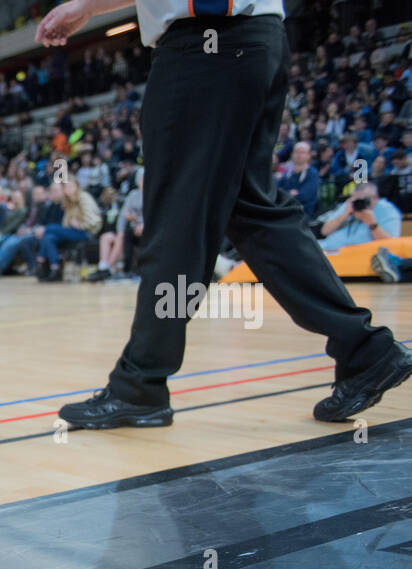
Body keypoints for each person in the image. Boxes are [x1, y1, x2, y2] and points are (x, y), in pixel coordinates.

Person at [37, 0, 410, 428]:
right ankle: (366, 351)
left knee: (177, 220)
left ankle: (140, 383)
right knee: (252, 210)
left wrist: (83, 6)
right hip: (254, 39)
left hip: (206, 43)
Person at [317, 182, 400, 251]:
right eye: (357, 199)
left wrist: (372, 223)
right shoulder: (349, 205)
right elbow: (325, 231)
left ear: (375, 197)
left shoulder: (387, 209)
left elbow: (390, 244)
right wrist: (345, 214)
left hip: (361, 255)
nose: (360, 203)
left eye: (364, 199)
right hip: (330, 249)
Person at [278, 141, 321, 217]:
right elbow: (277, 192)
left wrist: (284, 194)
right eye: (296, 152)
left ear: (309, 155)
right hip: (283, 211)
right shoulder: (287, 174)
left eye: (302, 152)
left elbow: (304, 197)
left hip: (302, 214)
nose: (299, 155)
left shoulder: (313, 174)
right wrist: (289, 193)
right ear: (292, 154)